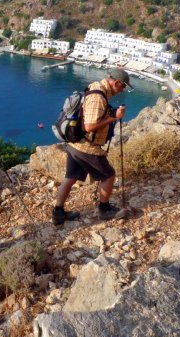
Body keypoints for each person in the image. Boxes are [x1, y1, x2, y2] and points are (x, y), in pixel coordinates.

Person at [52, 68, 133, 225]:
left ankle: (58, 213)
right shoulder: (98, 97)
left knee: (70, 177)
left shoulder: (96, 87)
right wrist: (114, 118)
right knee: (108, 175)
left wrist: (111, 113)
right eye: (123, 86)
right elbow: (89, 126)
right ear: (117, 82)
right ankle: (104, 209)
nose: (122, 90)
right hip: (86, 147)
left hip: (75, 144)